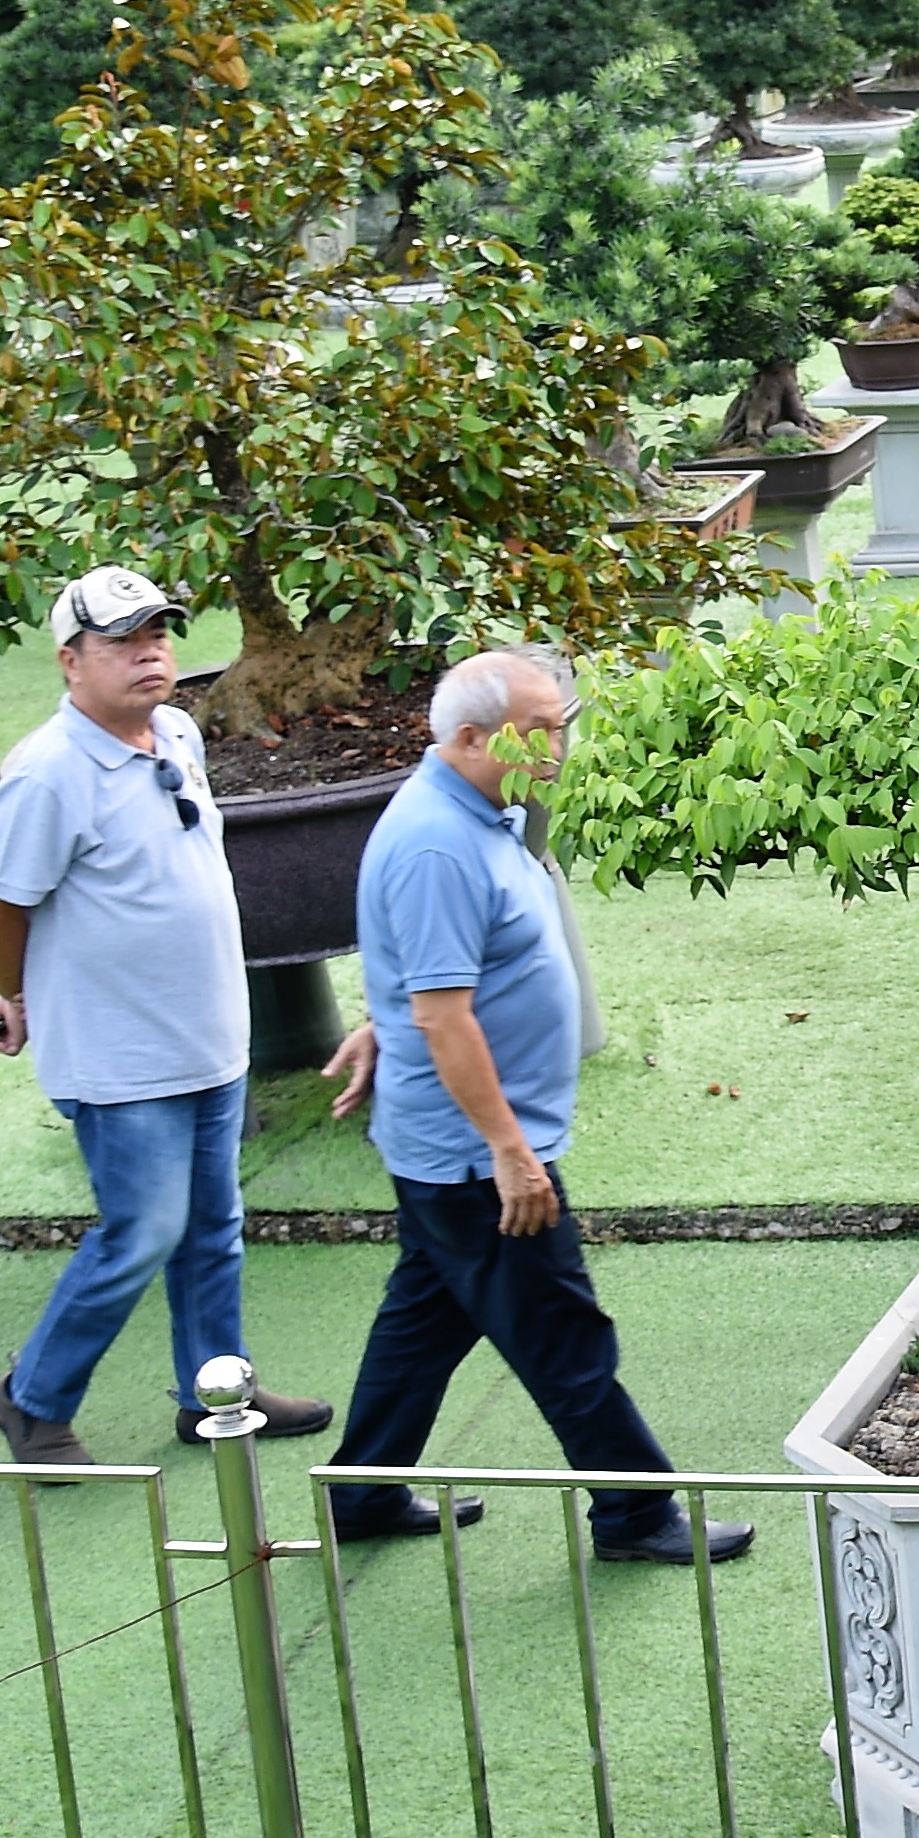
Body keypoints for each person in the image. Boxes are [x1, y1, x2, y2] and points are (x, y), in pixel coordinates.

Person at [320, 648, 748, 1566]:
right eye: (540, 730)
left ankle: (359, 1493)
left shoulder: (480, 812)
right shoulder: (437, 844)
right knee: (563, 1333)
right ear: (473, 738)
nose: (559, 746)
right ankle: (635, 1515)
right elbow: (443, 1014)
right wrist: (510, 1151)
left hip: (454, 1145)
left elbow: (433, 972)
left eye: (562, 725)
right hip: (474, 1155)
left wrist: (381, 1019)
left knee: (424, 1321)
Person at [0, 568, 334, 1467]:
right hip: (119, 1059)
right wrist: (19, 998)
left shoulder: (176, 731)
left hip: (208, 1039)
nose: (150, 655)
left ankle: (216, 1394)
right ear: (70, 661)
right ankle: (31, 1400)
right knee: (145, 1233)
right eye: (122, 642)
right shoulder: (47, 775)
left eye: (158, 635)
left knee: (213, 1231)